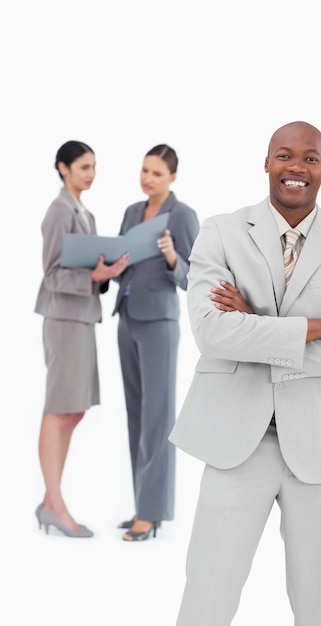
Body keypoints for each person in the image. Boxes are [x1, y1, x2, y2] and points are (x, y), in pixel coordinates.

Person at [169, 121, 321, 625]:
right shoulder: (221, 232)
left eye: (310, 158)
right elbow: (211, 333)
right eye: (284, 156)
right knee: (206, 597)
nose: (296, 167)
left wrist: (254, 326)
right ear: (266, 163)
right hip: (234, 442)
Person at [34, 140, 129, 538]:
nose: (91, 173)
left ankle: (50, 501)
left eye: (94, 166)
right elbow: (53, 274)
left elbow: (86, 268)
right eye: (84, 166)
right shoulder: (59, 211)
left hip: (82, 319)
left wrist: (106, 272)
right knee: (59, 410)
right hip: (64, 319)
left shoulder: (82, 210)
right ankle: (53, 503)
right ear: (63, 167)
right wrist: (95, 276)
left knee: (74, 410)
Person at [113, 144, 199, 542]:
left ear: (173, 178)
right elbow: (121, 263)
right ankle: (143, 507)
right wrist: (108, 265)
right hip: (127, 316)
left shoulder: (182, 216)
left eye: (157, 173)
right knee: (135, 415)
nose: (148, 178)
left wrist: (170, 257)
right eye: (145, 170)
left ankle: (151, 513)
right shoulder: (133, 211)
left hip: (160, 323)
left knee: (158, 419)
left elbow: (194, 278)